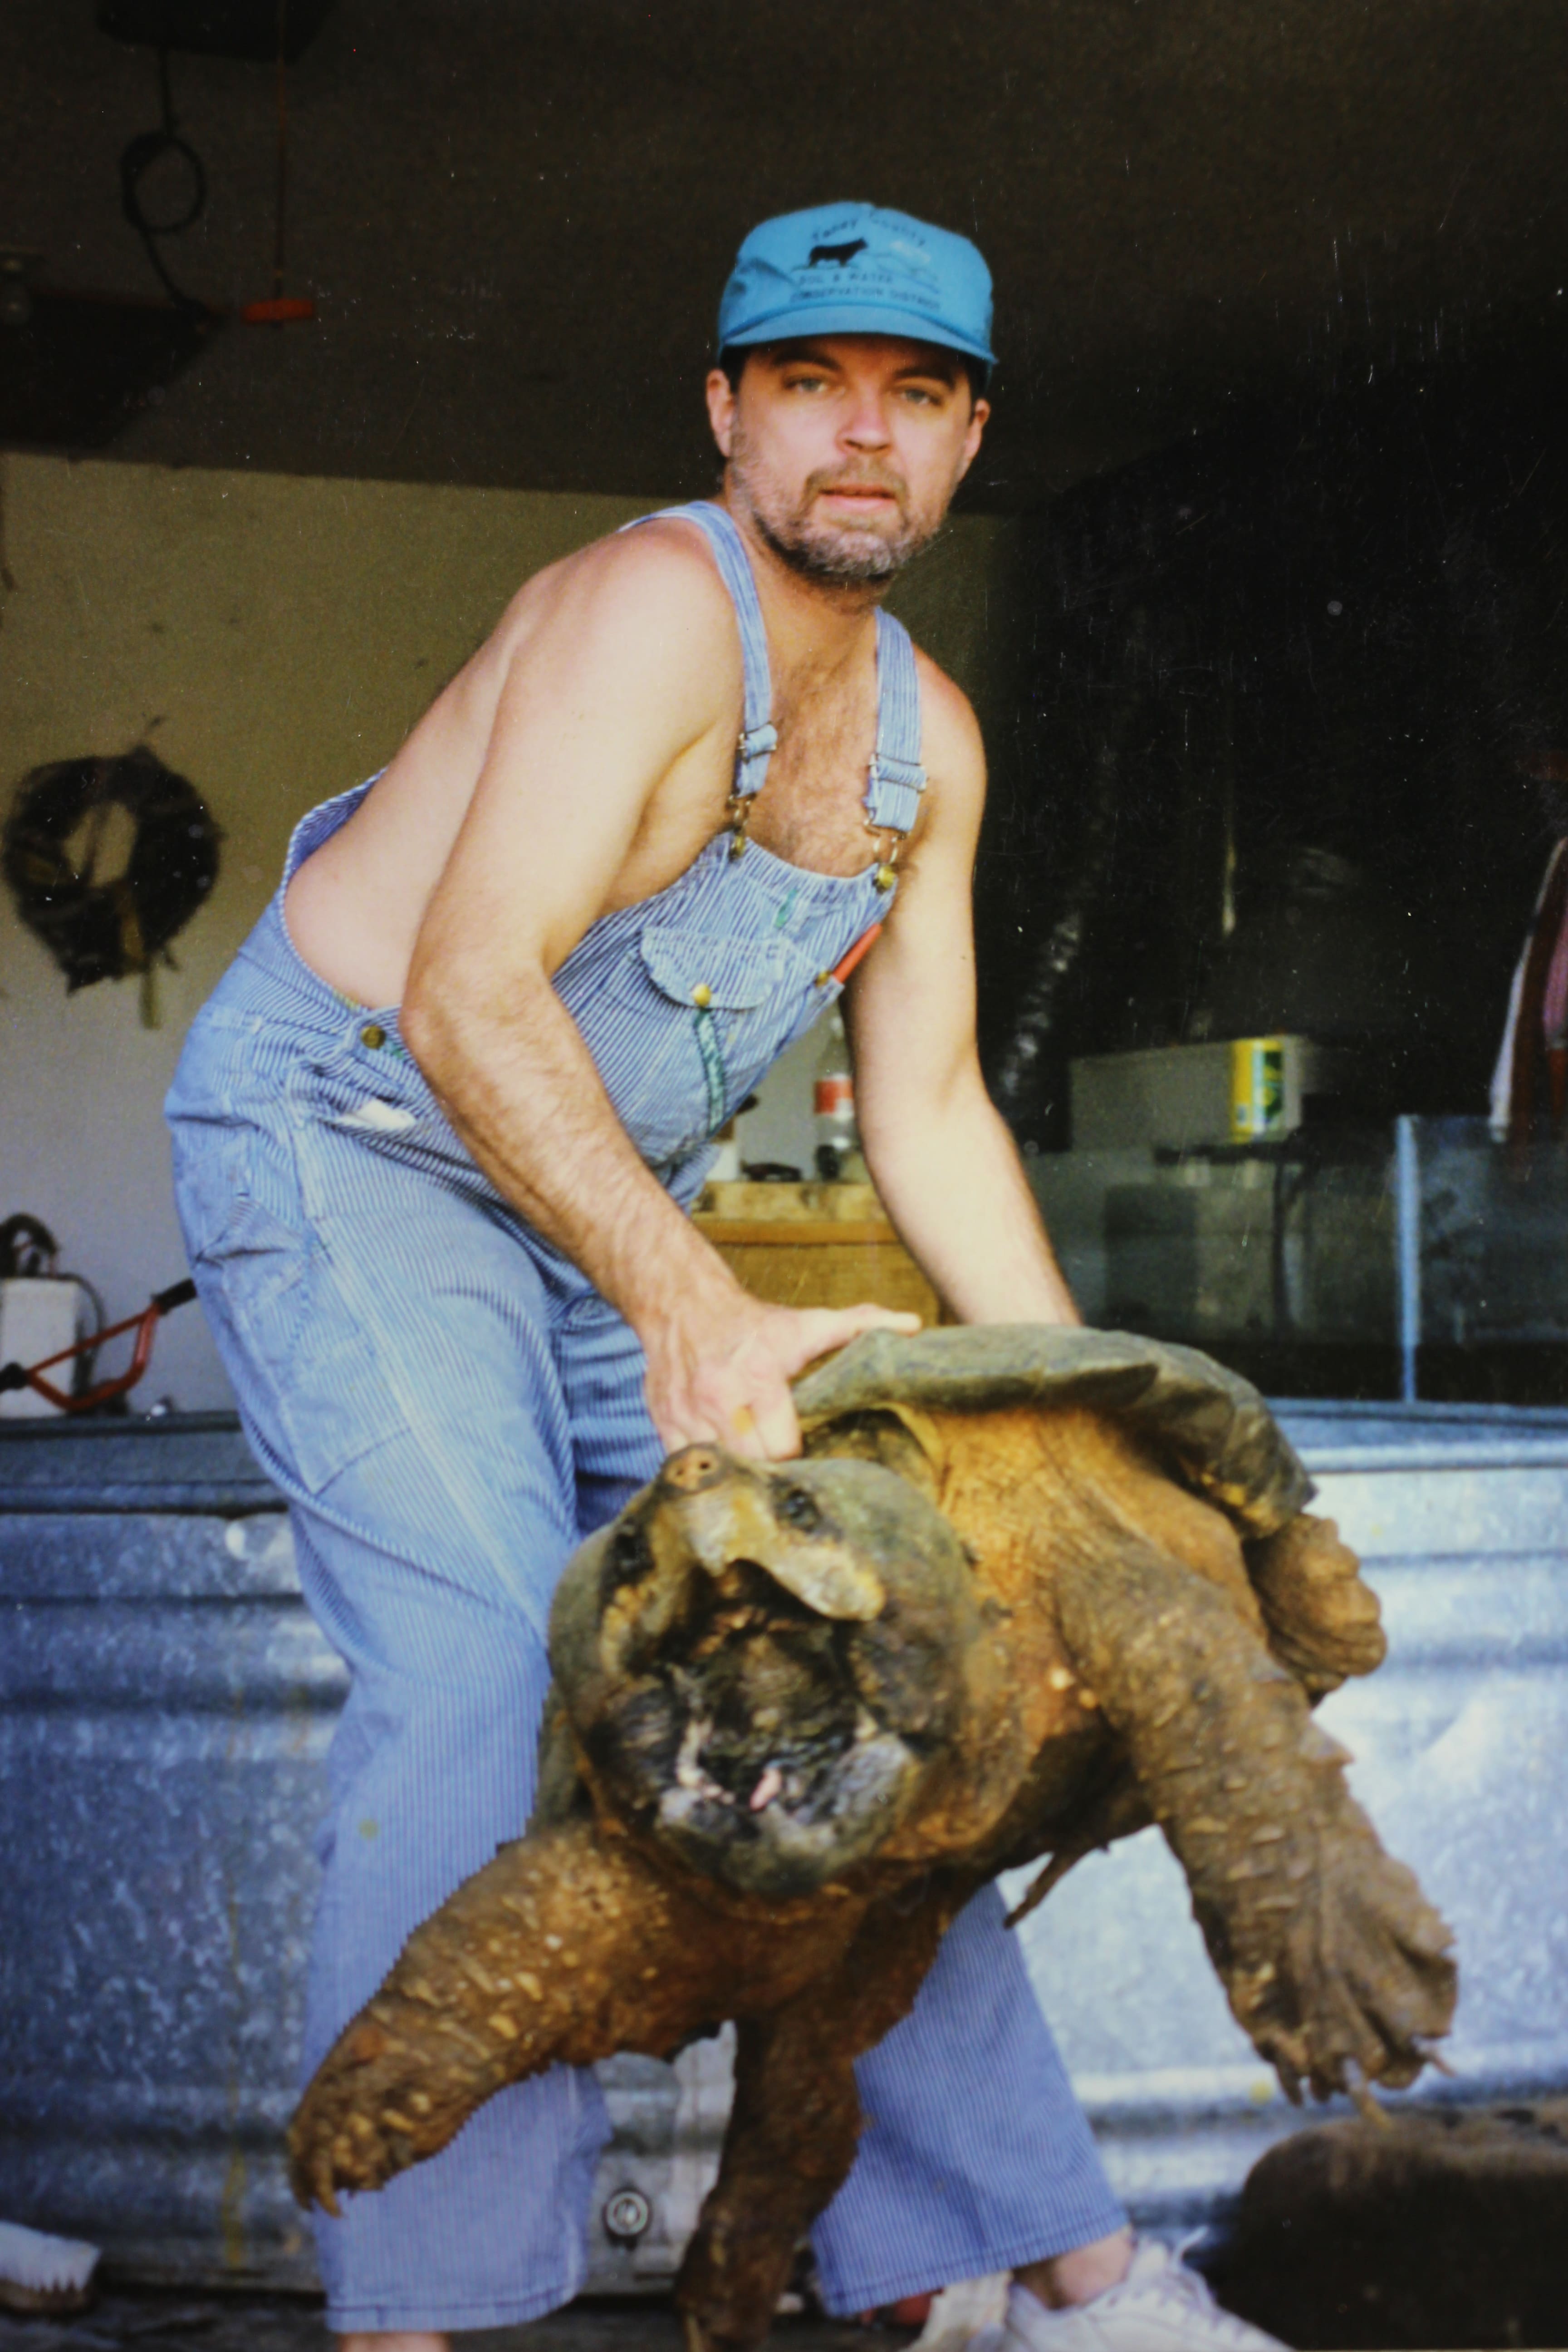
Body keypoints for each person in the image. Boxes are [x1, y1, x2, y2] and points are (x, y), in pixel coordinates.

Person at [166, 202, 1284, 2352]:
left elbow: (935, 1108)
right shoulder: (643, 619)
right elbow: (473, 998)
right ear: (728, 410)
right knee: (504, 1663)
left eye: (919, 395)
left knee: (875, 1660)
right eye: (811, 383)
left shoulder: (926, 750)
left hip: (586, 1201)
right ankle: (425, 2316)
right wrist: (687, 1299)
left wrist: (1083, 1422)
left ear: (965, 443)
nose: (864, 436)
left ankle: (1041, 2267)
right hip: (360, 1132)